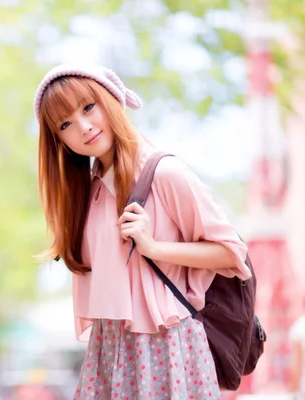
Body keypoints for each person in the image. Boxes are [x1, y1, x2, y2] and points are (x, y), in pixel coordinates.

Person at [33, 64, 253, 399]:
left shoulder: (165, 173)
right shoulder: (87, 193)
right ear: (59, 140)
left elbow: (232, 252)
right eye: (65, 124)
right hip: (110, 349)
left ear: (111, 100)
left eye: (88, 107)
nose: (84, 127)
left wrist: (155, 247)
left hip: (165, 349)